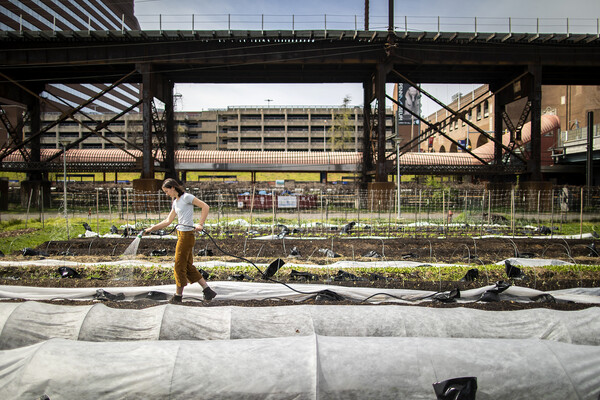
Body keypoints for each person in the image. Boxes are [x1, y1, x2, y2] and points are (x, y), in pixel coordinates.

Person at [144, 178, 217, 303]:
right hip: (181, 235)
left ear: (173, 188)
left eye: (167, 191)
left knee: (179, 265)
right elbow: (168, 221)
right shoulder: (176, 202)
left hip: (187, 235)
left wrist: (200, 224)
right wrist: (152, 228)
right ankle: (207, 290)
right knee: (187, 266)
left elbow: (205, 206)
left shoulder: (186, 197)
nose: (167, 194)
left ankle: (178, 296)